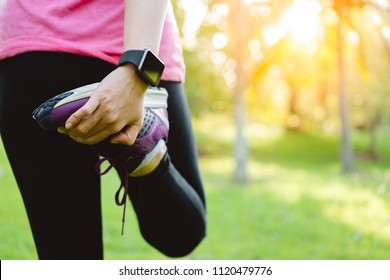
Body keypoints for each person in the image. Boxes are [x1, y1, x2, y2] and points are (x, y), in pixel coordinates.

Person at [0, 0, 206, 260]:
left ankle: (145, 151)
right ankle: (147, 151)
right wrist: (138, 69)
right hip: (120, 40)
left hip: (30, 48)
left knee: (66, 258)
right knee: (182, 235)